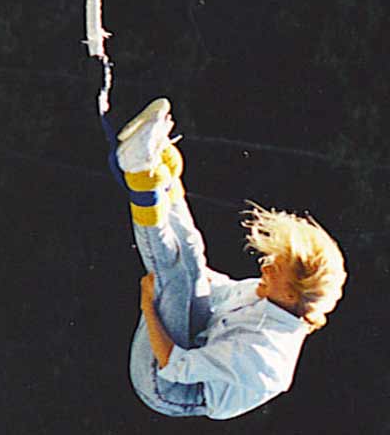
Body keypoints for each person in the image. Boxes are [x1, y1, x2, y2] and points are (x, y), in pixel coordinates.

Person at [108, 97, 347, 420]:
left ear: (291, 294)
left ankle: (140, 174)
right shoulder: (269, 297)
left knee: (175, 282)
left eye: (275, 269)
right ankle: (162, 171)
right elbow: (205, 280)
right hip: (196, 341)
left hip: (168, 387)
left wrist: (148, 305)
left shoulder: (263, 356)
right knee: (192, 253)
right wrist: (174, 205)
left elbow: (173, 365)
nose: (264, 266)